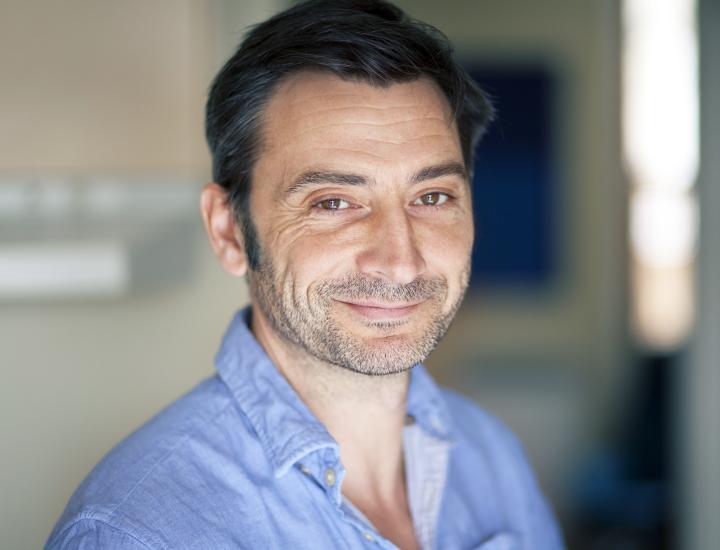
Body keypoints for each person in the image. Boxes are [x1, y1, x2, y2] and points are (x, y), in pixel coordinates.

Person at [47, 1, 564, 548]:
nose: (399, 260)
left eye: (432, 196)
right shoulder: (139, 532)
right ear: (229, 231)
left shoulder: (491, 456)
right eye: (334, 203)